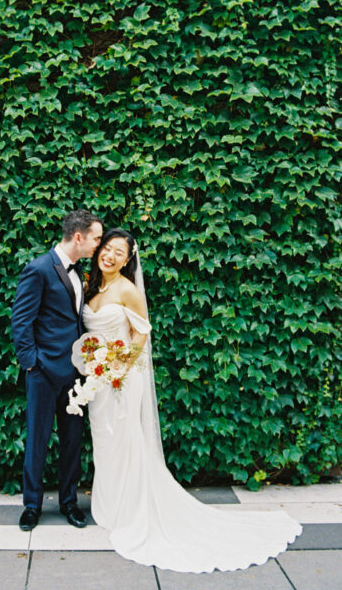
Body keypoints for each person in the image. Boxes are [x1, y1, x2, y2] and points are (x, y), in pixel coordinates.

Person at [82, 227, 303, 573]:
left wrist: (120, 367)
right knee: (105, 441)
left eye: (119, 253)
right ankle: (108, 508)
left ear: (128, 261)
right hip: (97, 378)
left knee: (126, 442)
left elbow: (141, 333)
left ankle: (131, 512)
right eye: (107, 249)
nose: (110, 255)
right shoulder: (90, 285)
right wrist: (97, 366)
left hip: (123, 377)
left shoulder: (127, 290)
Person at [11, 209, 103, 531]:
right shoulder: (38, 269)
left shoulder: (80, 271)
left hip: (77, 374)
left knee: (72, 442)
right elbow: (21, 321)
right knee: (37, 440)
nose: (98, 245)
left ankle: (69, 503)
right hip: (43, 373)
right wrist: (32, 364)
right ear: (78, 237)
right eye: (95, 238)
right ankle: (31, 506)